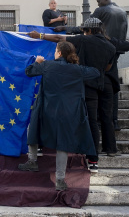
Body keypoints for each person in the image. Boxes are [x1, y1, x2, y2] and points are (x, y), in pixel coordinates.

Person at [27, 17, 116, 173]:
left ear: (88, 30)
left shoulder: (84, 40)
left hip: (77, 86)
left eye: (84, 30)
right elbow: (107, 67)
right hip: (94, 85)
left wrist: (40, 36)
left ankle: (40, 147)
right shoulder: (110, 47)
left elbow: (59, 38)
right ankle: (93, 160)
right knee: (92, 123)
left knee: (49, 113)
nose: (82, 32)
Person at [18, 42, 99, 191]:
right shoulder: (77, 69)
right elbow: (95, 72)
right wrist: (76, 66)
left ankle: (32, 161)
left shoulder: (47, 65)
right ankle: (60, 180)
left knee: (33, 127)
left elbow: (29, 72)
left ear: (60, 53)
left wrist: (37, 62)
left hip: (47, 109)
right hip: (68, 112)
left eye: (56, 50)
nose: (55, 53)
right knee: (62, 143)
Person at [91, 0, 129, 131]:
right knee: (113, 87)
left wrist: (66, 29)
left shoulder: (101, 11)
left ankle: (101, 119)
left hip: (102, 52)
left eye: (98, 0)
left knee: (100, 86)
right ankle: (114, 120)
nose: (98, 3)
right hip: (116, 51)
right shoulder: (122, 11)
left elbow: (86, 26)